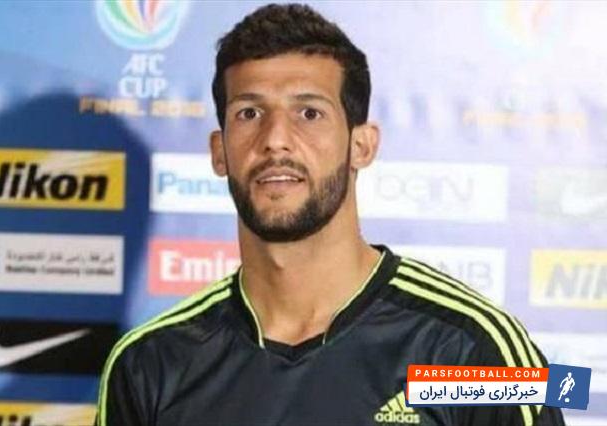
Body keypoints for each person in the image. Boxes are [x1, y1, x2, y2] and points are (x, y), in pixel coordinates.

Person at [96, 4, 565, 425]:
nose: (275, 139)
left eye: (309, 113)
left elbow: (557, 388)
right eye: (249, 113)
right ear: (219, 152)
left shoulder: (474, 350)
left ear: (362, 145)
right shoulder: (149, 363)